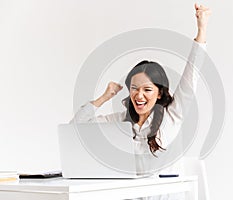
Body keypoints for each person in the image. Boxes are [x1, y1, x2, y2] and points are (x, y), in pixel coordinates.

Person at [72, 3, 211, 199]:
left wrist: (201, 30)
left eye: (147, 90)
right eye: (134, 89)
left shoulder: (172, 115)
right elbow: (77, 128)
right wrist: (104, 97)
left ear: (159, 93)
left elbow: (191, 76)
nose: (139, 95)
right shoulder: (120, 120)